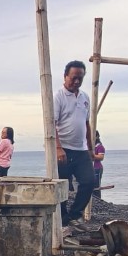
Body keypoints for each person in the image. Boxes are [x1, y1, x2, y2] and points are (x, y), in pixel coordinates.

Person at [54, 60, 97, 228]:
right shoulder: (58, 97)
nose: (77, 81)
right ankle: (63, 219)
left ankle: (75, 214)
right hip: (63, 149)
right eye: (73, 78)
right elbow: (52, 124)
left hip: (81, 149)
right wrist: (58, 147)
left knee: (89, 181)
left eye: (80, 78)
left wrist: (90, 148)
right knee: (62, 185)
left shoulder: (85, 97)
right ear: (65, 76)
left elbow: (86, 124)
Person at [92, 131, 106, 199]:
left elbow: (101, 157)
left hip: (96, 168)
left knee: (96, 186)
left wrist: (91, 155)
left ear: (97, 137)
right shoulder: (88, 146)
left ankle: (97, 200)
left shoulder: (99, 146)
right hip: (89, 168)